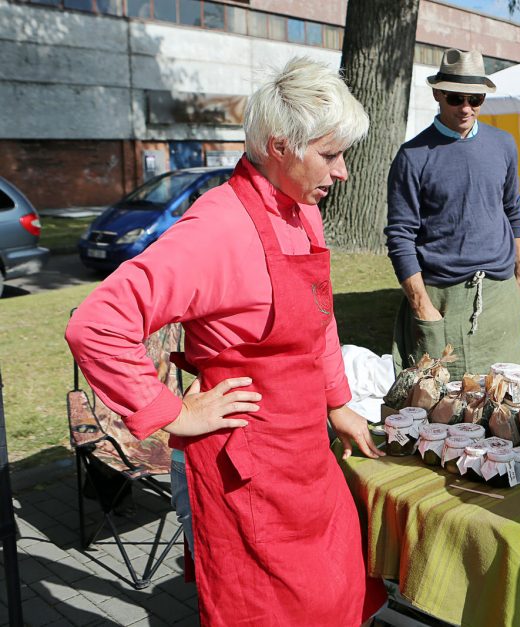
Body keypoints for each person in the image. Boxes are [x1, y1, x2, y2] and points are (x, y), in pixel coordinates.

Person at [66, 57, 387, 626]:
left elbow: (319, 318)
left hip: (306, 450)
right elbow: (97, 325)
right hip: (249, 471)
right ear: (281, 146)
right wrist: (170, 413)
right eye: (331, 155)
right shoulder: (217, 227)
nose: (343, 173)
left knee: (337, 595)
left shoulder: (302, 211)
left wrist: (339, 402)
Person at [385, 48, 520, 377]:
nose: (466, 108)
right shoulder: (413, 156)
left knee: (509, 404)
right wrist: (421, 304)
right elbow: (399, 236)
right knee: (440, 411)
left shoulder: (504, 145)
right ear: (438, 93)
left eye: (475, 99)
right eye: (455, 98)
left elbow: (514, 211)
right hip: (441, 301)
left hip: (500, 297)